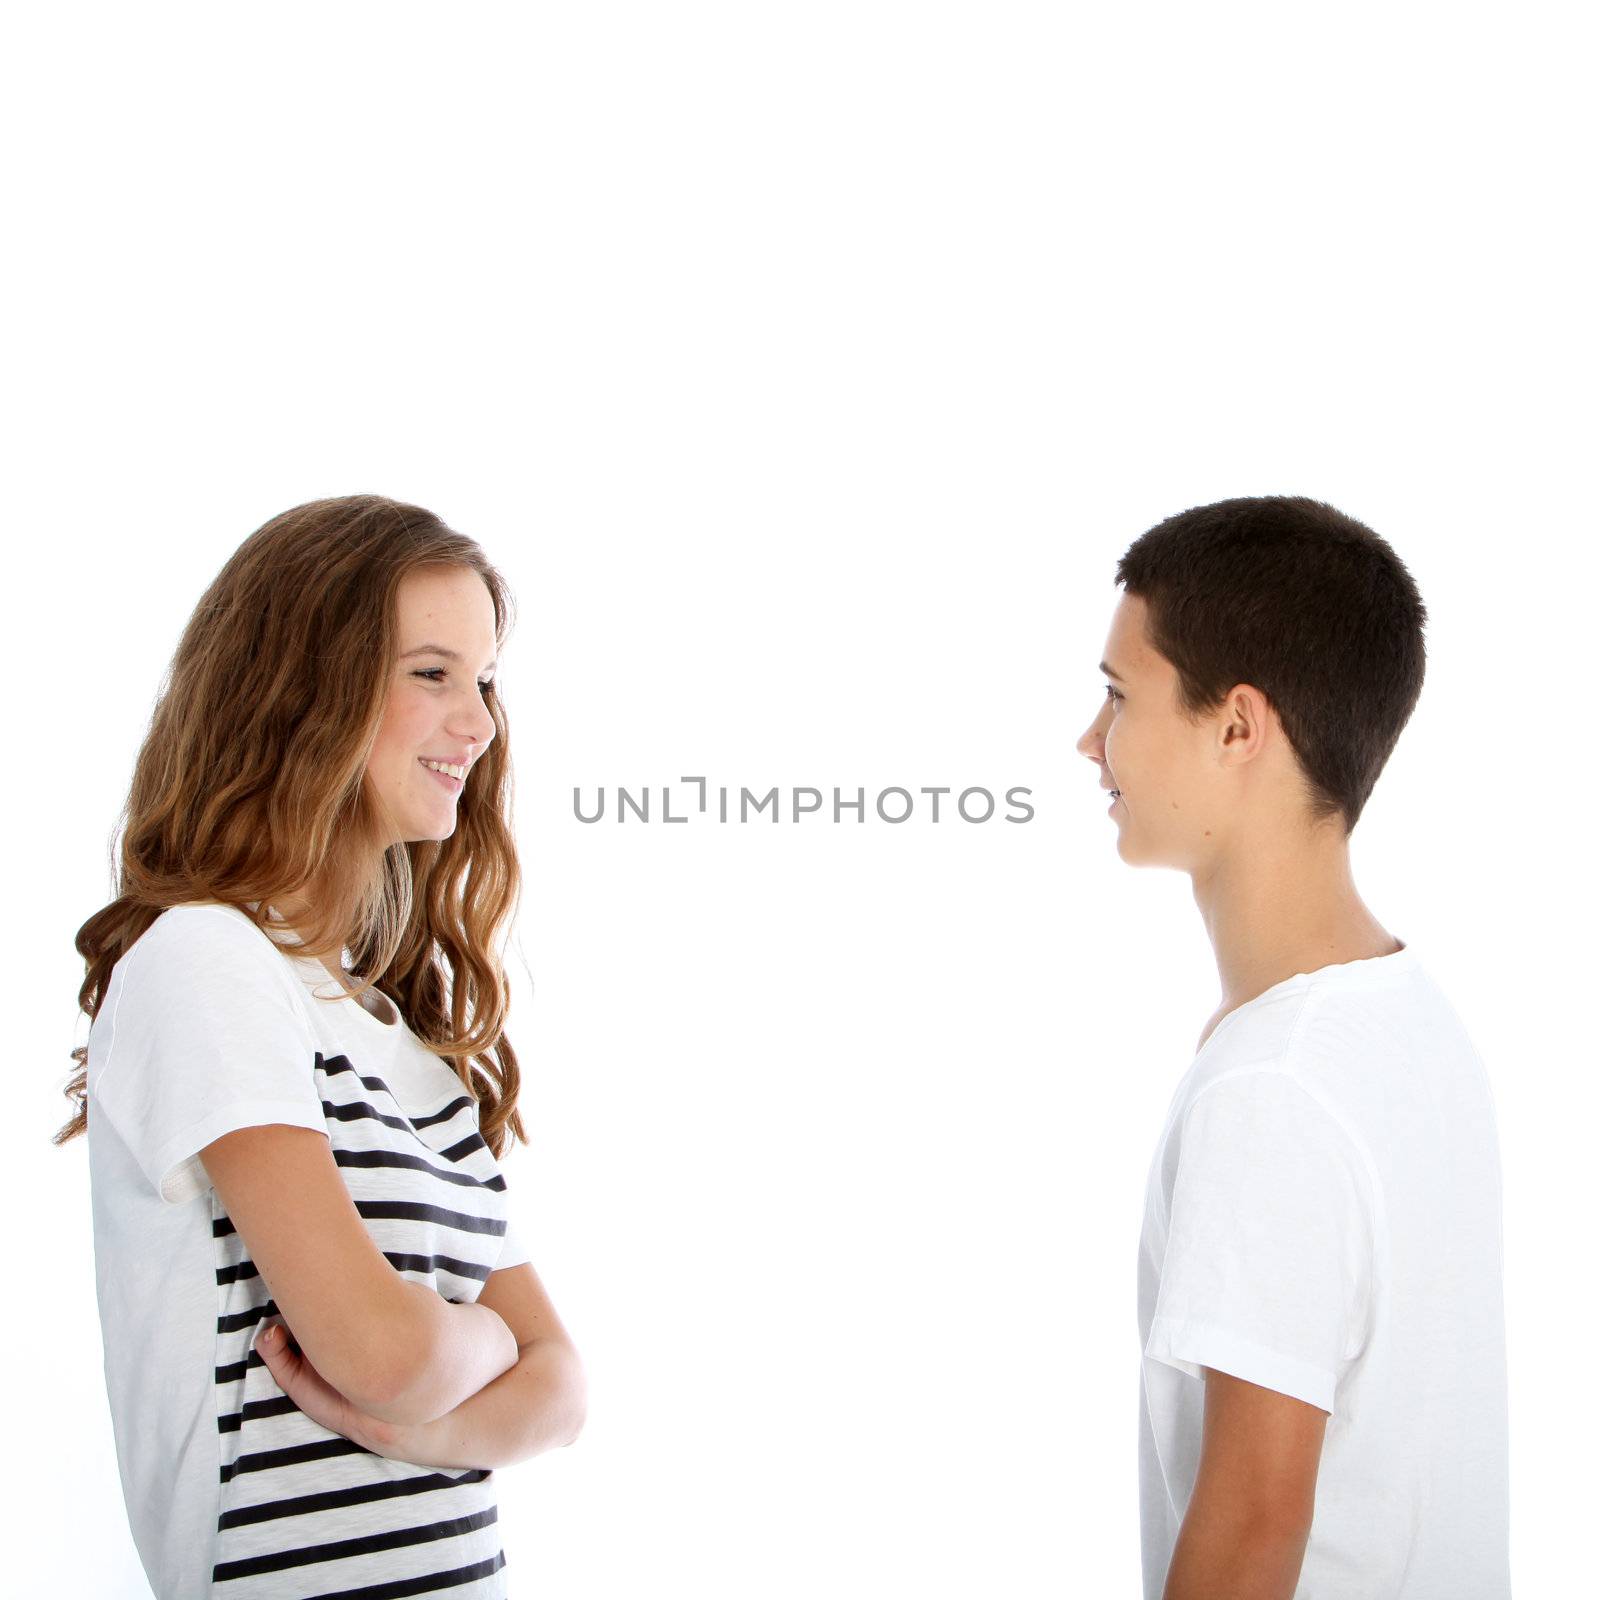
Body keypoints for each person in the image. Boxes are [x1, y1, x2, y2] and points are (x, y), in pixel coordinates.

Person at [58, 494, 586, 1598]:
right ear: (300, 691)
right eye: (431, 673)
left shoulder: (405, 1035)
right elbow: (383, 1356)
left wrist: (432, 1425)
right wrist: (485, 1343)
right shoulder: (206, 961)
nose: (480, 723)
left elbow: (563, 1392)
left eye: (482, 679)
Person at [1075, 496, 1509, 1599]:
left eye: (1119, 695)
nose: (1090, 740)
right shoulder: (1402, 1016)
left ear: (1236, 726)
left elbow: (1254, 1527)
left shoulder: (1271, 1087)